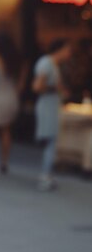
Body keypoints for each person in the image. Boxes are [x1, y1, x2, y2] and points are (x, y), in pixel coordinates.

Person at [32, 39, 72, 191]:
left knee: (52, 141)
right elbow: (37, 86)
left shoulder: (53, 65)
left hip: (52, 106)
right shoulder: (46, 63)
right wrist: (56, 89)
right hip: (47, 107)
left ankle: (47, 173)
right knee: (51, 141)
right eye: (67, 50)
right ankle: (45, 175)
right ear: (60, 49)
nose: (69, 54)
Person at [0, 33, 22, 174]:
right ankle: (4, 162)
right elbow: (20, 85)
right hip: (11, 96)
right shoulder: (16, 60)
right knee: (6, 131)